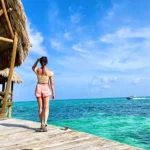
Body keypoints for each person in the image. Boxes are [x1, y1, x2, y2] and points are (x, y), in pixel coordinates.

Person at [32, 57, 55, 132]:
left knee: (40, 107)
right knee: (46, 107)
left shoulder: (38, 70)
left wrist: (37, 60)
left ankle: (41, 123)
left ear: (40, 62)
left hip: (39, 87)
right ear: (47, 62)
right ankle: (45, 123)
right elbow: (52, 84)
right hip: (46, 88)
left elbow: (33, 67)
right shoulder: (50, 72)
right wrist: (53, 93)